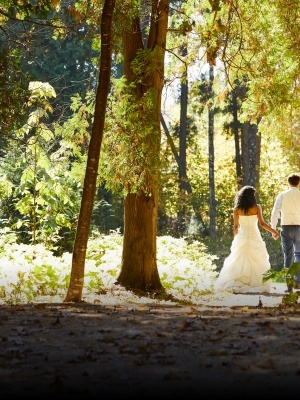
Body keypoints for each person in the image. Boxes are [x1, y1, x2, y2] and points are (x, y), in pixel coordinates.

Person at [215, 185, 279, 294]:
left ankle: (238, 279)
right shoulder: (257, 207)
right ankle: (256, 282)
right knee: (257, 258)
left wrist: (236, 238)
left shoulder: (237, 209)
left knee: (239, 258)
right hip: (254, 235)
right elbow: (262, 223)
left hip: (242, 235)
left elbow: (236, 227)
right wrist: (274, 231)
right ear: (251, 196)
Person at [271, 173, 300, 292]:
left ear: (288, 183)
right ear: (299, 183)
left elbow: (275, 212)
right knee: (299, 255)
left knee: (288, 255)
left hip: (286, 227)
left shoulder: (282, 195)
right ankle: (298, 282)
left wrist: (273, 228)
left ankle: (289, 286)